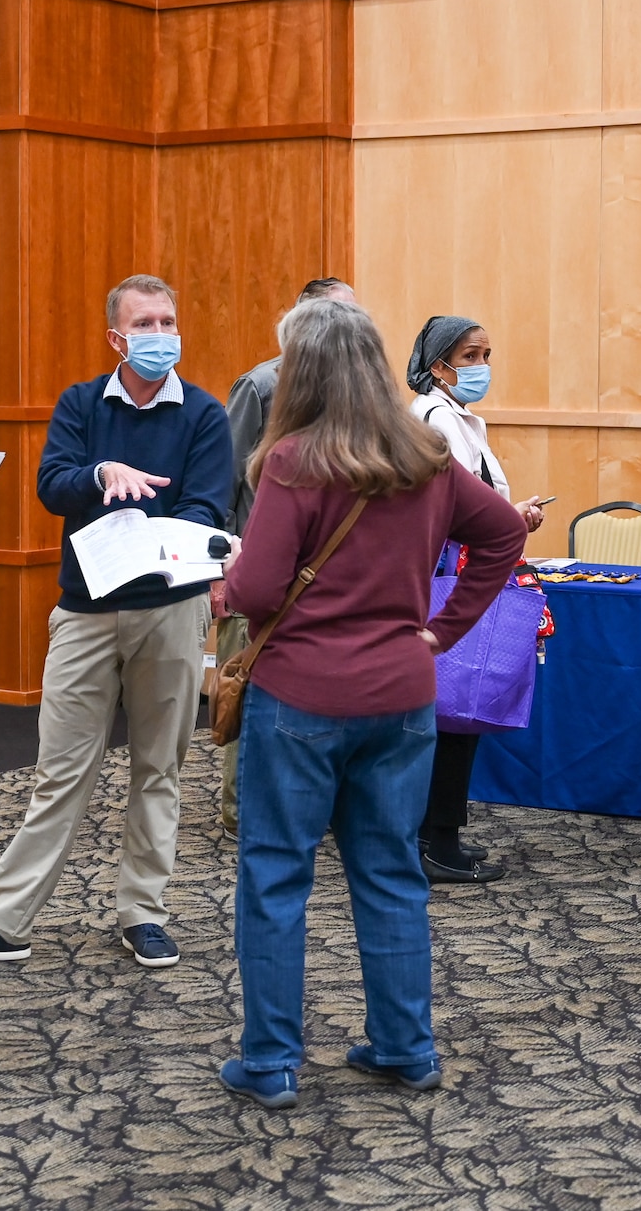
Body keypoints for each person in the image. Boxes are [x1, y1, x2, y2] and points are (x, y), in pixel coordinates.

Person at [218, 297, 527, 1109]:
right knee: (389, 871)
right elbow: (503, 534)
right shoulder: (425, 454)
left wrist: (222, 589)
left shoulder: (292, 459)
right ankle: (405, 1046)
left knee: (276, 873)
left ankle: (272, 1060)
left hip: (300, 697)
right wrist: (441, 630)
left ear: (303, 372)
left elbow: (256, 587)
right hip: (402, 694)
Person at [0, 274, 231, 970]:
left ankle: (144, 911)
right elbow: (52, 485)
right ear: (116, 337)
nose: (160, 335)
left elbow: (210, 508)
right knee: (61, 771)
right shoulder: (81, 404)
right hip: (85, 613)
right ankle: (4, 919)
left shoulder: (205, 414)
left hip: (170, 612)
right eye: (144, 324)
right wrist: (100, 475)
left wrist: (155, 530)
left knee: (160, 768)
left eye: (168, 321)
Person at [404, 315, 548, 882]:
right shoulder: (437, 421)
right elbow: (455, 511)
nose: (482, 367)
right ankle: (435, 842)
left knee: (455, 715)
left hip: (454, 574)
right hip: (449, 581)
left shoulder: (457, 418)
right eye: (470, 356)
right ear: (439, 364)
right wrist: (511, 519)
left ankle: (440, 834)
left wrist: (509, 518)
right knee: (453, 716)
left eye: (488, 353)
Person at [217, 277, 358, 841]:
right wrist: (221, 570)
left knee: (314, 702)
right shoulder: (261, 385)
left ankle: (309, 807)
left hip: (328, 577)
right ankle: (241, 811)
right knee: (247, 693)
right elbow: (223, 482)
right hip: (257, 568)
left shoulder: (355, 394)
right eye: (335, 314)